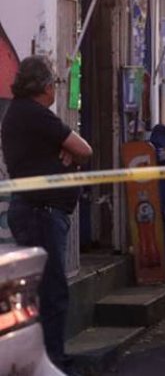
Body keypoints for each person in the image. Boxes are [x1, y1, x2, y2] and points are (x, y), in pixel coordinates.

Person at [1, 55, 93, 372]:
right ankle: (51, 362)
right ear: (44, 86)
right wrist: (67, 151)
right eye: (53, 83)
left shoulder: (20, 114)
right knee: (52, 292)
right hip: (41, 213)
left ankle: (43, 359)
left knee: (44, 291)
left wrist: (65, 150)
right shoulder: (36, 115)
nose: (55, 89)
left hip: (35, 210)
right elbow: (84, 150)